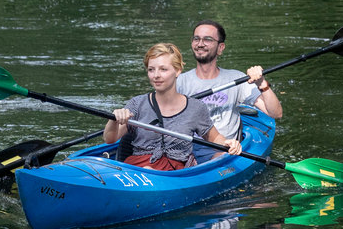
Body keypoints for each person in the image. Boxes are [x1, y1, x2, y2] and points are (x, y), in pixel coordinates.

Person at [104, 42, 241, 170]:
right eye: (151, 70)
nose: (156, 75)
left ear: (178, 70)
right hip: (138, 168)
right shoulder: (136, 104)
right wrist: (114, 119)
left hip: (176, 172)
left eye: (163, 69)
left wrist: (228, 143)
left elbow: (214, 138)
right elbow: (110, 139)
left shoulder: (196, 108)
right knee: (146, 169)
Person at [176, 20, 283, 162]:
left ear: (220, 48)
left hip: (222, 150)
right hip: (187, 150)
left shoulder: (236, 79)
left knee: (216, 158)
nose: (200, 44)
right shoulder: (179, 82)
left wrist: (261, 83)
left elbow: (275, 113)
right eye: (196, 38)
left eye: (207, 39)